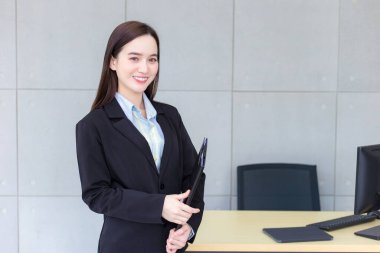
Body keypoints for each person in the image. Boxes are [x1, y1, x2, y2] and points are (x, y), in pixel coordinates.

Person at [75, 21, 205, 253]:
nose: (144, 68)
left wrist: (188, 227)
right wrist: (159, 206)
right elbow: (97, 195)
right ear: (112, 61)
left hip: (171, 247)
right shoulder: (93, 126)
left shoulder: (170, 115)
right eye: (134, 58)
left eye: (152, 59)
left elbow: (194, 176)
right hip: (125, 246)